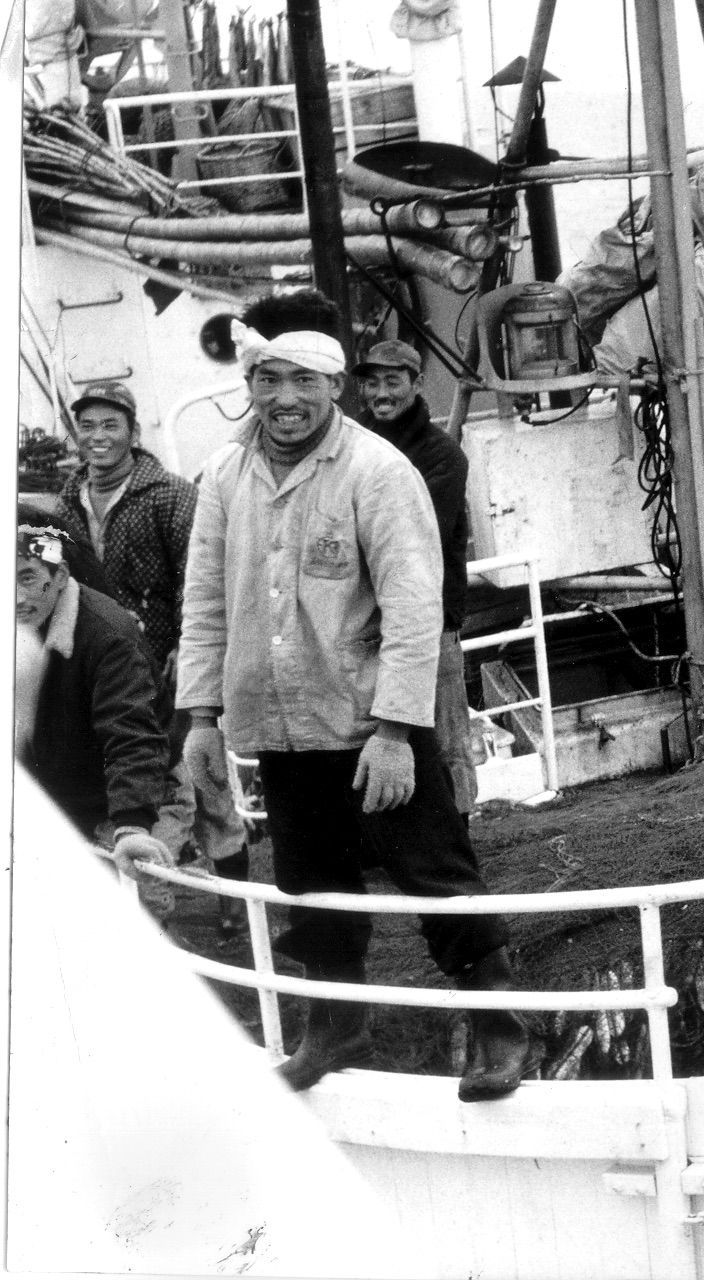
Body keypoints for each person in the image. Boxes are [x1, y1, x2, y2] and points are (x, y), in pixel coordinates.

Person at [175, 307, 530, 1100]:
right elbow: (203, 600)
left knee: (434, 872)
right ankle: (336, 1026)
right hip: (280, 722)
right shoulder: (225, 477)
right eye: (269, 380)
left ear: (337, 387)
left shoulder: (376, 471)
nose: (285, 397)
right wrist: (200, 716)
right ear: (250, 388)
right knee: (311, 882)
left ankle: (500, 1027)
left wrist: (400, 732)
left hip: (371, 724)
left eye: (304, 380)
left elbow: (412, 604)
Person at [53, 382, 251, 934]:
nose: (98, 437)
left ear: (133, 433)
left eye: (110, 425)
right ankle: (148, 890)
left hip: (167, 662)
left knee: (198, 778)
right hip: (104, 662)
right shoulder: (68, 501)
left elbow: (200, 577)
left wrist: (189, 652)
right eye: (87, 426)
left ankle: (235, 895)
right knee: (136, 769)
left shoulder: (167, 494)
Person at [15, 525, 177, 914]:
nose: (16, 596)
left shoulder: (109, 635)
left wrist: (132, 823)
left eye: (28, 576)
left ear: (61, 576)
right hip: (55, 788)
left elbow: (133, 734)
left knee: (135, 910)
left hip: (138, 784)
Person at [353, 340, 479, 814]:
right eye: (371, 382)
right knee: (370, 737)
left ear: (416, 383)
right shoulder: (349, 444)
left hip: (430, 622)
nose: (381, 392)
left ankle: (461, 832)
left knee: (446, 739)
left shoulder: (442, 456)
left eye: (392, 380)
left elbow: (413, 542)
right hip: (363, 623)